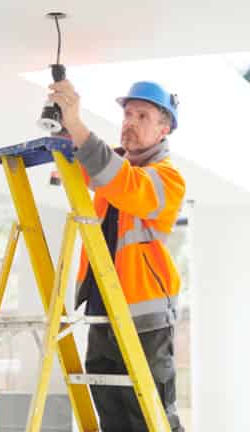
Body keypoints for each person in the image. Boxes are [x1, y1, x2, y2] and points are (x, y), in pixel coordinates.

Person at [48, 80, 186, 432]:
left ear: (163, 128)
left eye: (143, 116)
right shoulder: (114, 167)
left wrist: (78, 126)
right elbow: (82, 167)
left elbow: (124, 184)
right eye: (127, 114)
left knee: (150, 418)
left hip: (144, 319)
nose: (130, 122)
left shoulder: (167, 179)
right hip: (102, 312)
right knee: (112, 418)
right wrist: (64, 124)